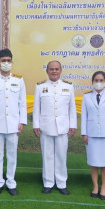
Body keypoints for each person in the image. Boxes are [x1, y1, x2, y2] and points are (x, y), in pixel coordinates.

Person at [0, 48, 27, 196]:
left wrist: (22, 121)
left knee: (12, 155)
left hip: (14, 124)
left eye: (9, 60)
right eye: (3, 61)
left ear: (12, 61)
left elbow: (22, 103)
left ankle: (11, 182)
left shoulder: (19, 80)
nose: (6, 63)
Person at [33, 61, 77, 195]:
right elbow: (36, 108)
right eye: (51, 69)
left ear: (61, 70)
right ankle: (48, 182)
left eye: (56, 69)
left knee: (61, 155)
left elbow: (72, 108)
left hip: (63, 127)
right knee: (47, 155)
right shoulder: (40, 86)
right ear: (47, 71)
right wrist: (36, 124)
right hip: (46, 127)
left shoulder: (68, 86)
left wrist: (72, 125)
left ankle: (61, 183)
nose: (54, 71)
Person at [81, 71, 105, 200]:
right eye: (96, 80)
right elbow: (84, 117)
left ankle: (103, 187)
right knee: (93, 161)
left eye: (101, 80)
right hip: (91, 134)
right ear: (92, 82)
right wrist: (84, 133)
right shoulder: (86, 97)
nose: (98, 83)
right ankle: (95, 186)